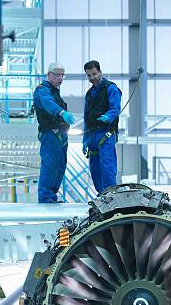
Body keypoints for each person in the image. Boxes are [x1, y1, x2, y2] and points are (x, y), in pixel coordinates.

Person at [34, 62, 76, 203]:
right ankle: (45, 197)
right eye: (57, 74)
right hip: (50, 133)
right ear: (49, 74)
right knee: (50, 165)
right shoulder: (43, 90)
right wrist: (62, 112)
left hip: (61, 135)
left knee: (60, 166)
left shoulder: (55, 92)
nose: (60, 78)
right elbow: (48, 103)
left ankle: (51, 195)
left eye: (62, 75)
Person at [82, 60, 122, 194]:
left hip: (106, 133)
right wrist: (85, 138)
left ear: (100, 72)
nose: (92, 77)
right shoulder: (89, 94)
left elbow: (115, 108)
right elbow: (86, 117)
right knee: (95, 169)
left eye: (94, 74)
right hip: (92, 135)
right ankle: (101, 196)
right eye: (89, 75)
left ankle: (111, 195)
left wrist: (108, 116)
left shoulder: (111, 88)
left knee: (107, 166)